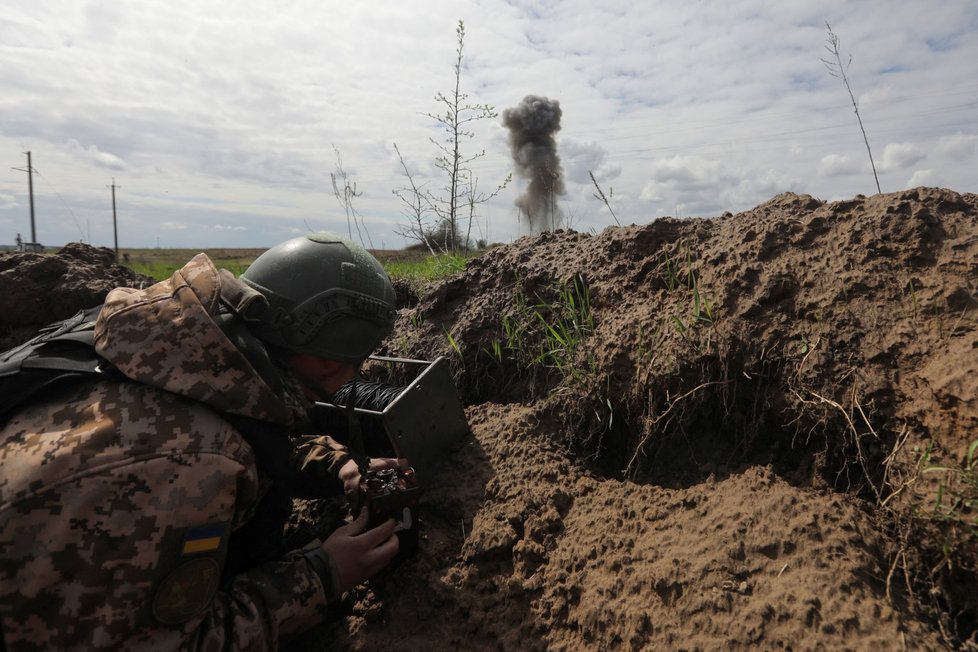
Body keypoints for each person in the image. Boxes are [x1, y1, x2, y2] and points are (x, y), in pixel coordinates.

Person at [0, 232, 406, 650]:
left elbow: (254, 429)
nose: (354, 376)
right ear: (326, 360)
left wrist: (337, 463)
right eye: (355, 363)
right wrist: (318, 577)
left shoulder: (175, 341)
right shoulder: (189, 467)